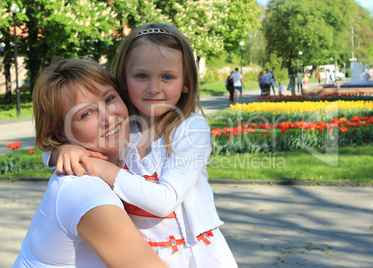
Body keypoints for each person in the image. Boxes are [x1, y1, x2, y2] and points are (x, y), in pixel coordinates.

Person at [47, 24, 238, 267]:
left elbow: (164, 201)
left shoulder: (189, 129)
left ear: (186, 83)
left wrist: (99, 167)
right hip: (139, 251)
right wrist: (60, 151)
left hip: (192, 251)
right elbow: (50, 153)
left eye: (167, 77)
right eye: (141, 76)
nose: (153, 88)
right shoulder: (122, 125)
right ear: (123, 80)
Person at [13, 59, 167, 267]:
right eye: (85, 114)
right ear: (61, 132)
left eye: (110, 98)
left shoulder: (127, 154)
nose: (108, 117)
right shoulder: (84, 190)